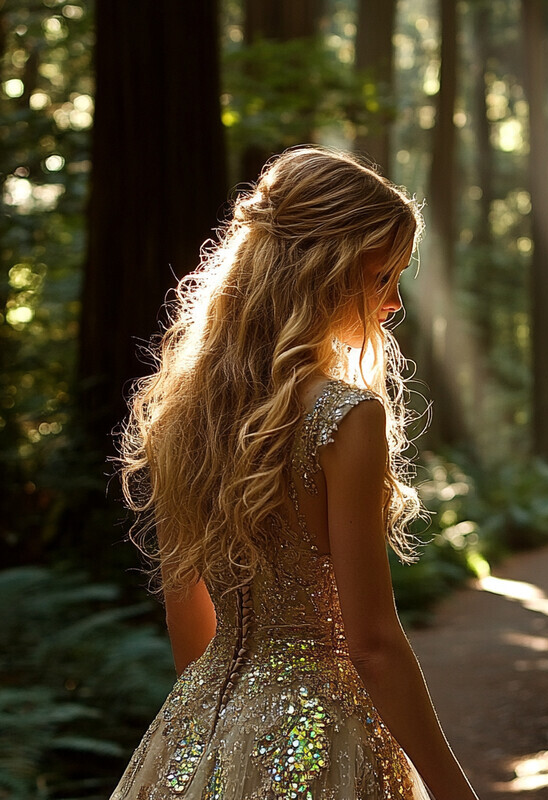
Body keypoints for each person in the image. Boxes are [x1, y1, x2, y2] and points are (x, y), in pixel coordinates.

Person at [111, 147, 480, 800]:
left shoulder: (181, 415)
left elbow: (185, 616)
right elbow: (371, 643)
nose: (394, 303)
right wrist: (453, 791)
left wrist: (217, 751)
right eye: (381, 277)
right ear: (323, 271)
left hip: (196, 734)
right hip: (315, 737)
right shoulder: (345, 416)